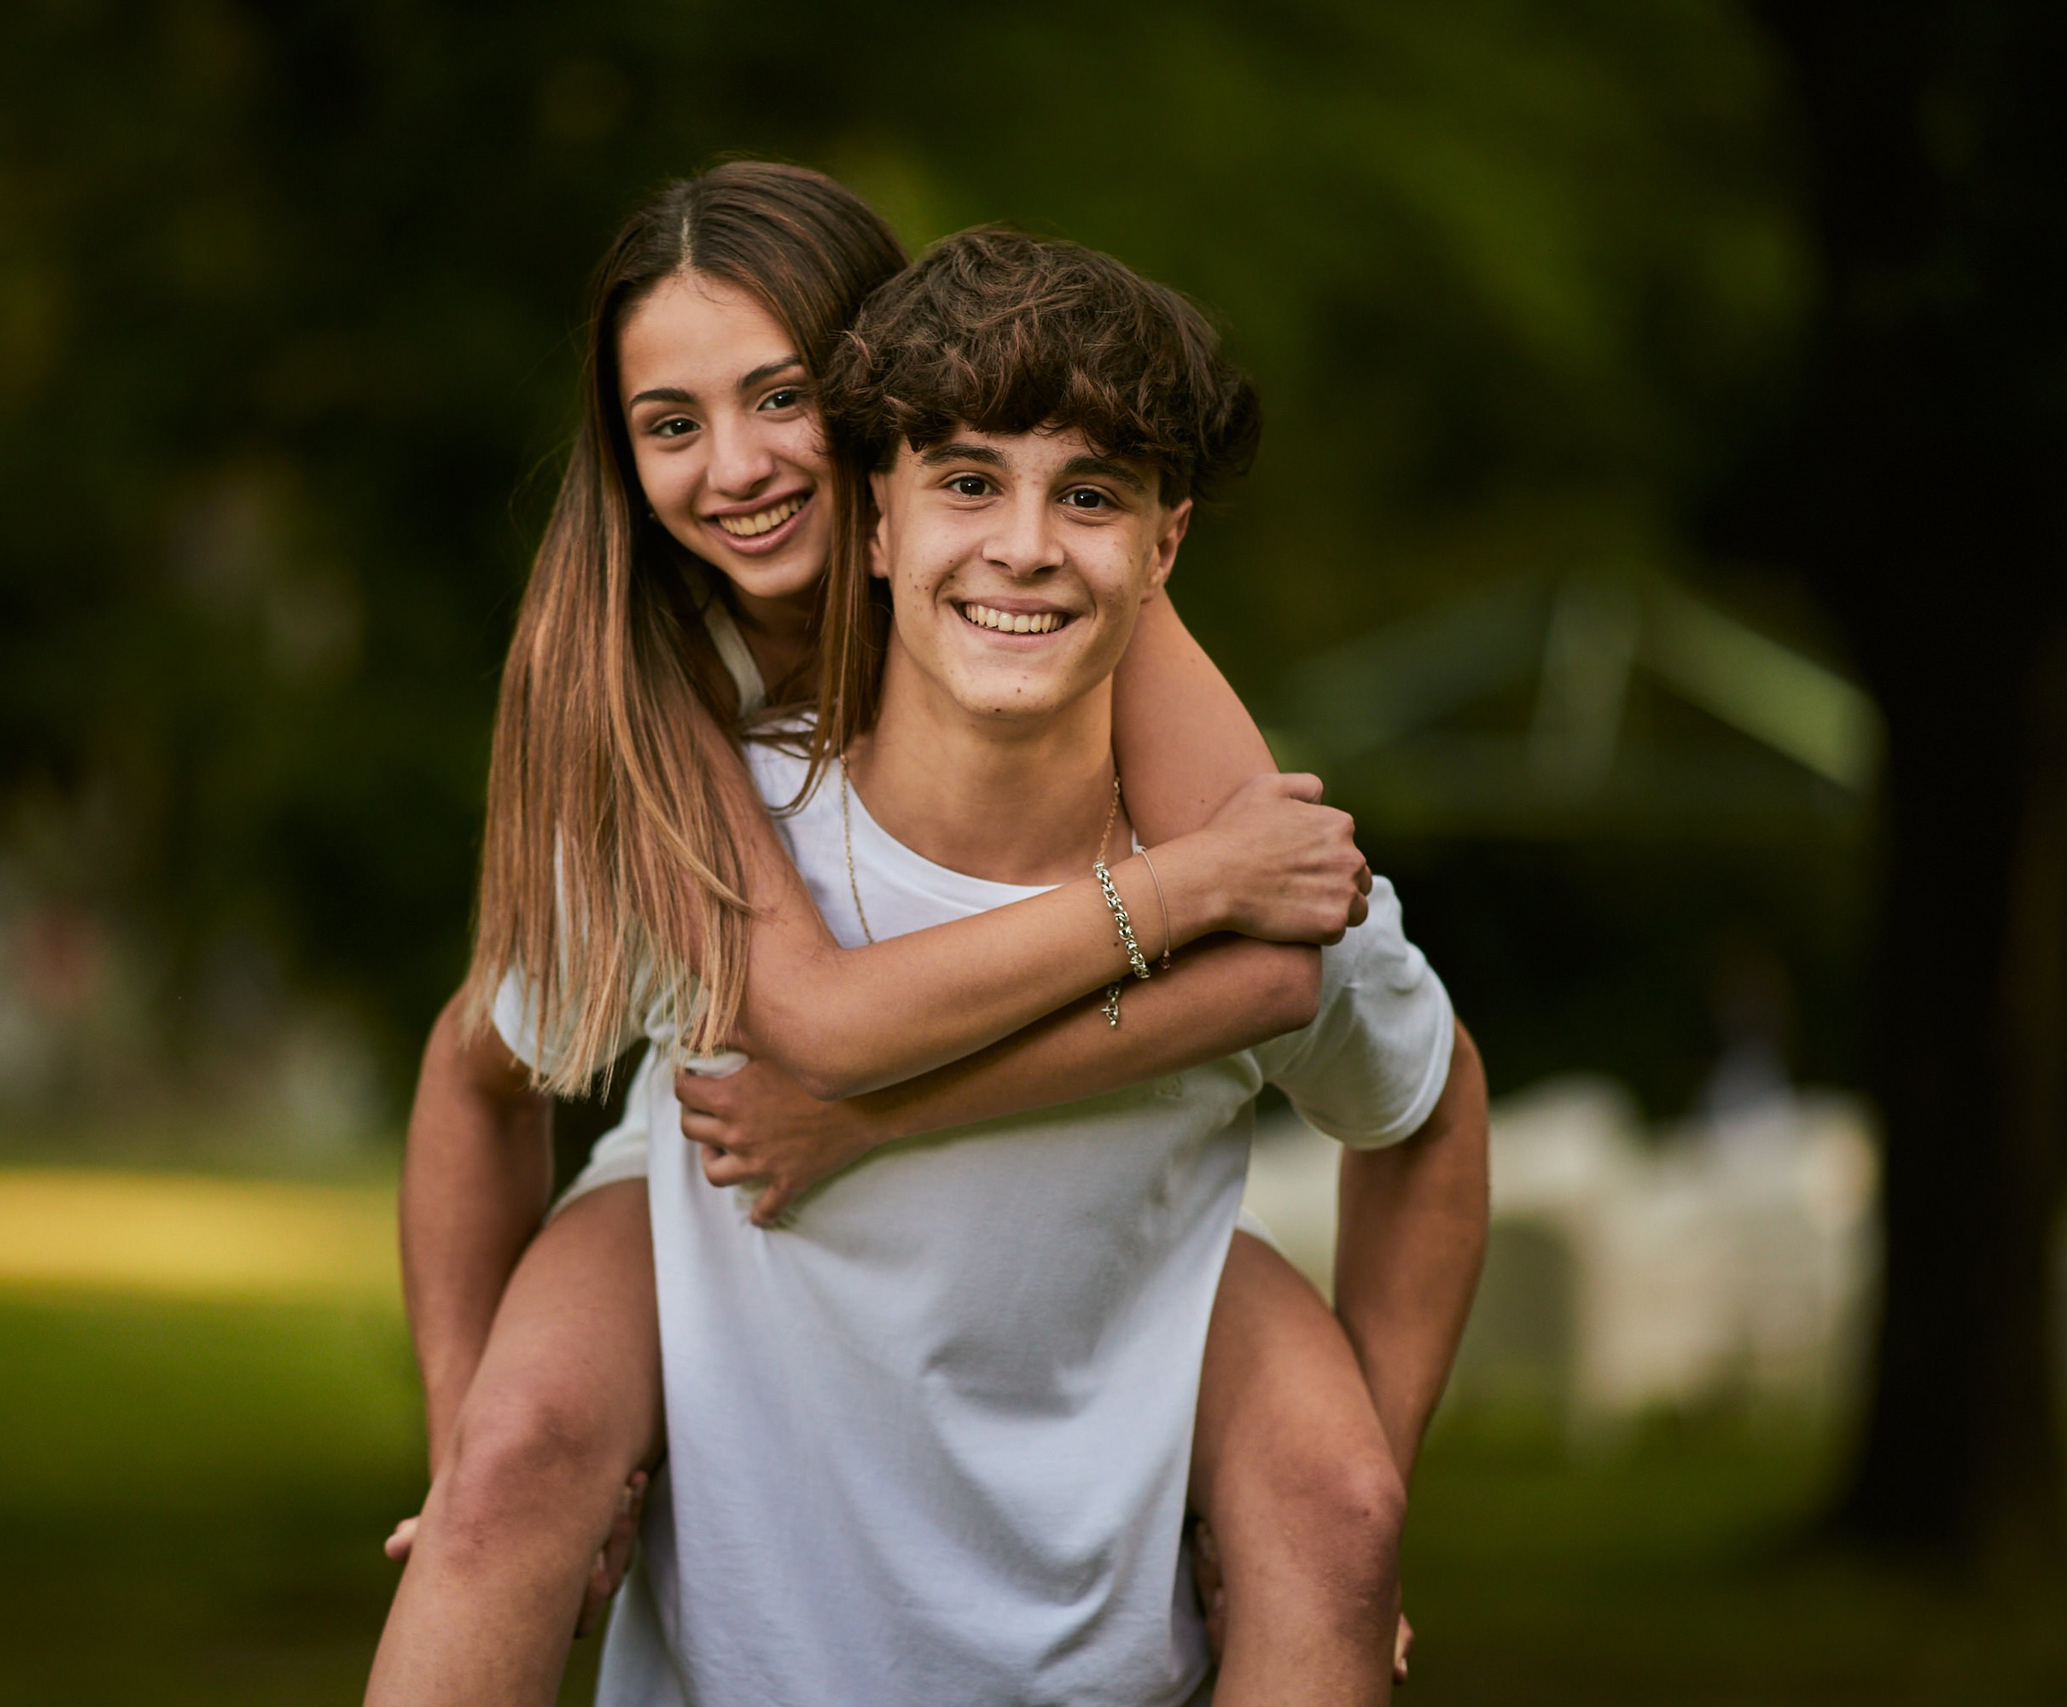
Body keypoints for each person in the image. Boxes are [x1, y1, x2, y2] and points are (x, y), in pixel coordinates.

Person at [368, 169, 1480, 1706]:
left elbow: (1286, 949)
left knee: (1332, 1505)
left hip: (1032, 1175)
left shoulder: (1074, 569)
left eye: (780, 398)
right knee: (513, 1464)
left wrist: (864, 1115)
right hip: (717, 1136)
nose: (742, 467)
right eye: (671, 423)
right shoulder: (658, 676)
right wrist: (459, 1438)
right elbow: (799, 1026)